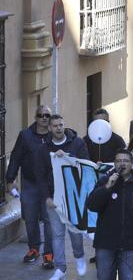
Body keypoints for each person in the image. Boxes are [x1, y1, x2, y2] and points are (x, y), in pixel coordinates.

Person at [86, 149, 133, 280]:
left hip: (132, 244)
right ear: (114, 164)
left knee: (128, 277)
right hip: (106, 243)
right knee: (104, 277)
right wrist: (107, 187)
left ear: (132, 164)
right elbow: (92, 205)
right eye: (118, 161)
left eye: (125, 161)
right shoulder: (104, 182)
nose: (122, 164)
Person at [35, 114, 90, 280]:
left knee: (74, 231)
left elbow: (85, 164)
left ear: (64, 126)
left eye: (61, 125)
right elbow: (40, 175)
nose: (58, 128)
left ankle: (79, 257)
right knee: (56, 234)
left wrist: (66, 157)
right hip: (53, 199)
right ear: (50, 128)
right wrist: (47, 197)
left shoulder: (77, 143)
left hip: (73, 197)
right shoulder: (43, 149)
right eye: (55, 126)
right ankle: (60, 268)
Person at [6, 105, 54, 267]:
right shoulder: (25, 135)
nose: (44, 118)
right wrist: (10, 179)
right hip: (30, 184)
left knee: (49, 221)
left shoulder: (54, 135)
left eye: (47, 115)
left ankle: (49, 254)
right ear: (35, 117)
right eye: (40, 115)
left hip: (49, 186)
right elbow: (15, 157)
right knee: (31, 219)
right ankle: (34, 249)